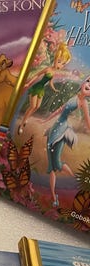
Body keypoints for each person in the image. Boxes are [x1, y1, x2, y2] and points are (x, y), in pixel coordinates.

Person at [42, 74, 90, 207]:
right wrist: (45, 120)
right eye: (88, 81)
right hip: (54, 128)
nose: (88, 85)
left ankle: (74, 180)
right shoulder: (74, 97)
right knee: (51, 167)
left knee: (57, 163)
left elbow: (88, 121)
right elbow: (59, 110)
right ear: (83, 82)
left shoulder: (83, 103)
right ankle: (54, 196)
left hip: (62, 131)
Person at [18, 43, 72, 135]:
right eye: (59, 62)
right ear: (55, 59)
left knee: (37, 107)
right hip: (36, 88)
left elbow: (50, 82)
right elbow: (37, 75)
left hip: (41, 89)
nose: (60, 65)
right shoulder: (48, 69)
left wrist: (54, 89)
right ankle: (22, 124)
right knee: (32, 106)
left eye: (63, 64)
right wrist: (28, 83)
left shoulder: (54, 72)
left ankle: (26, 118)